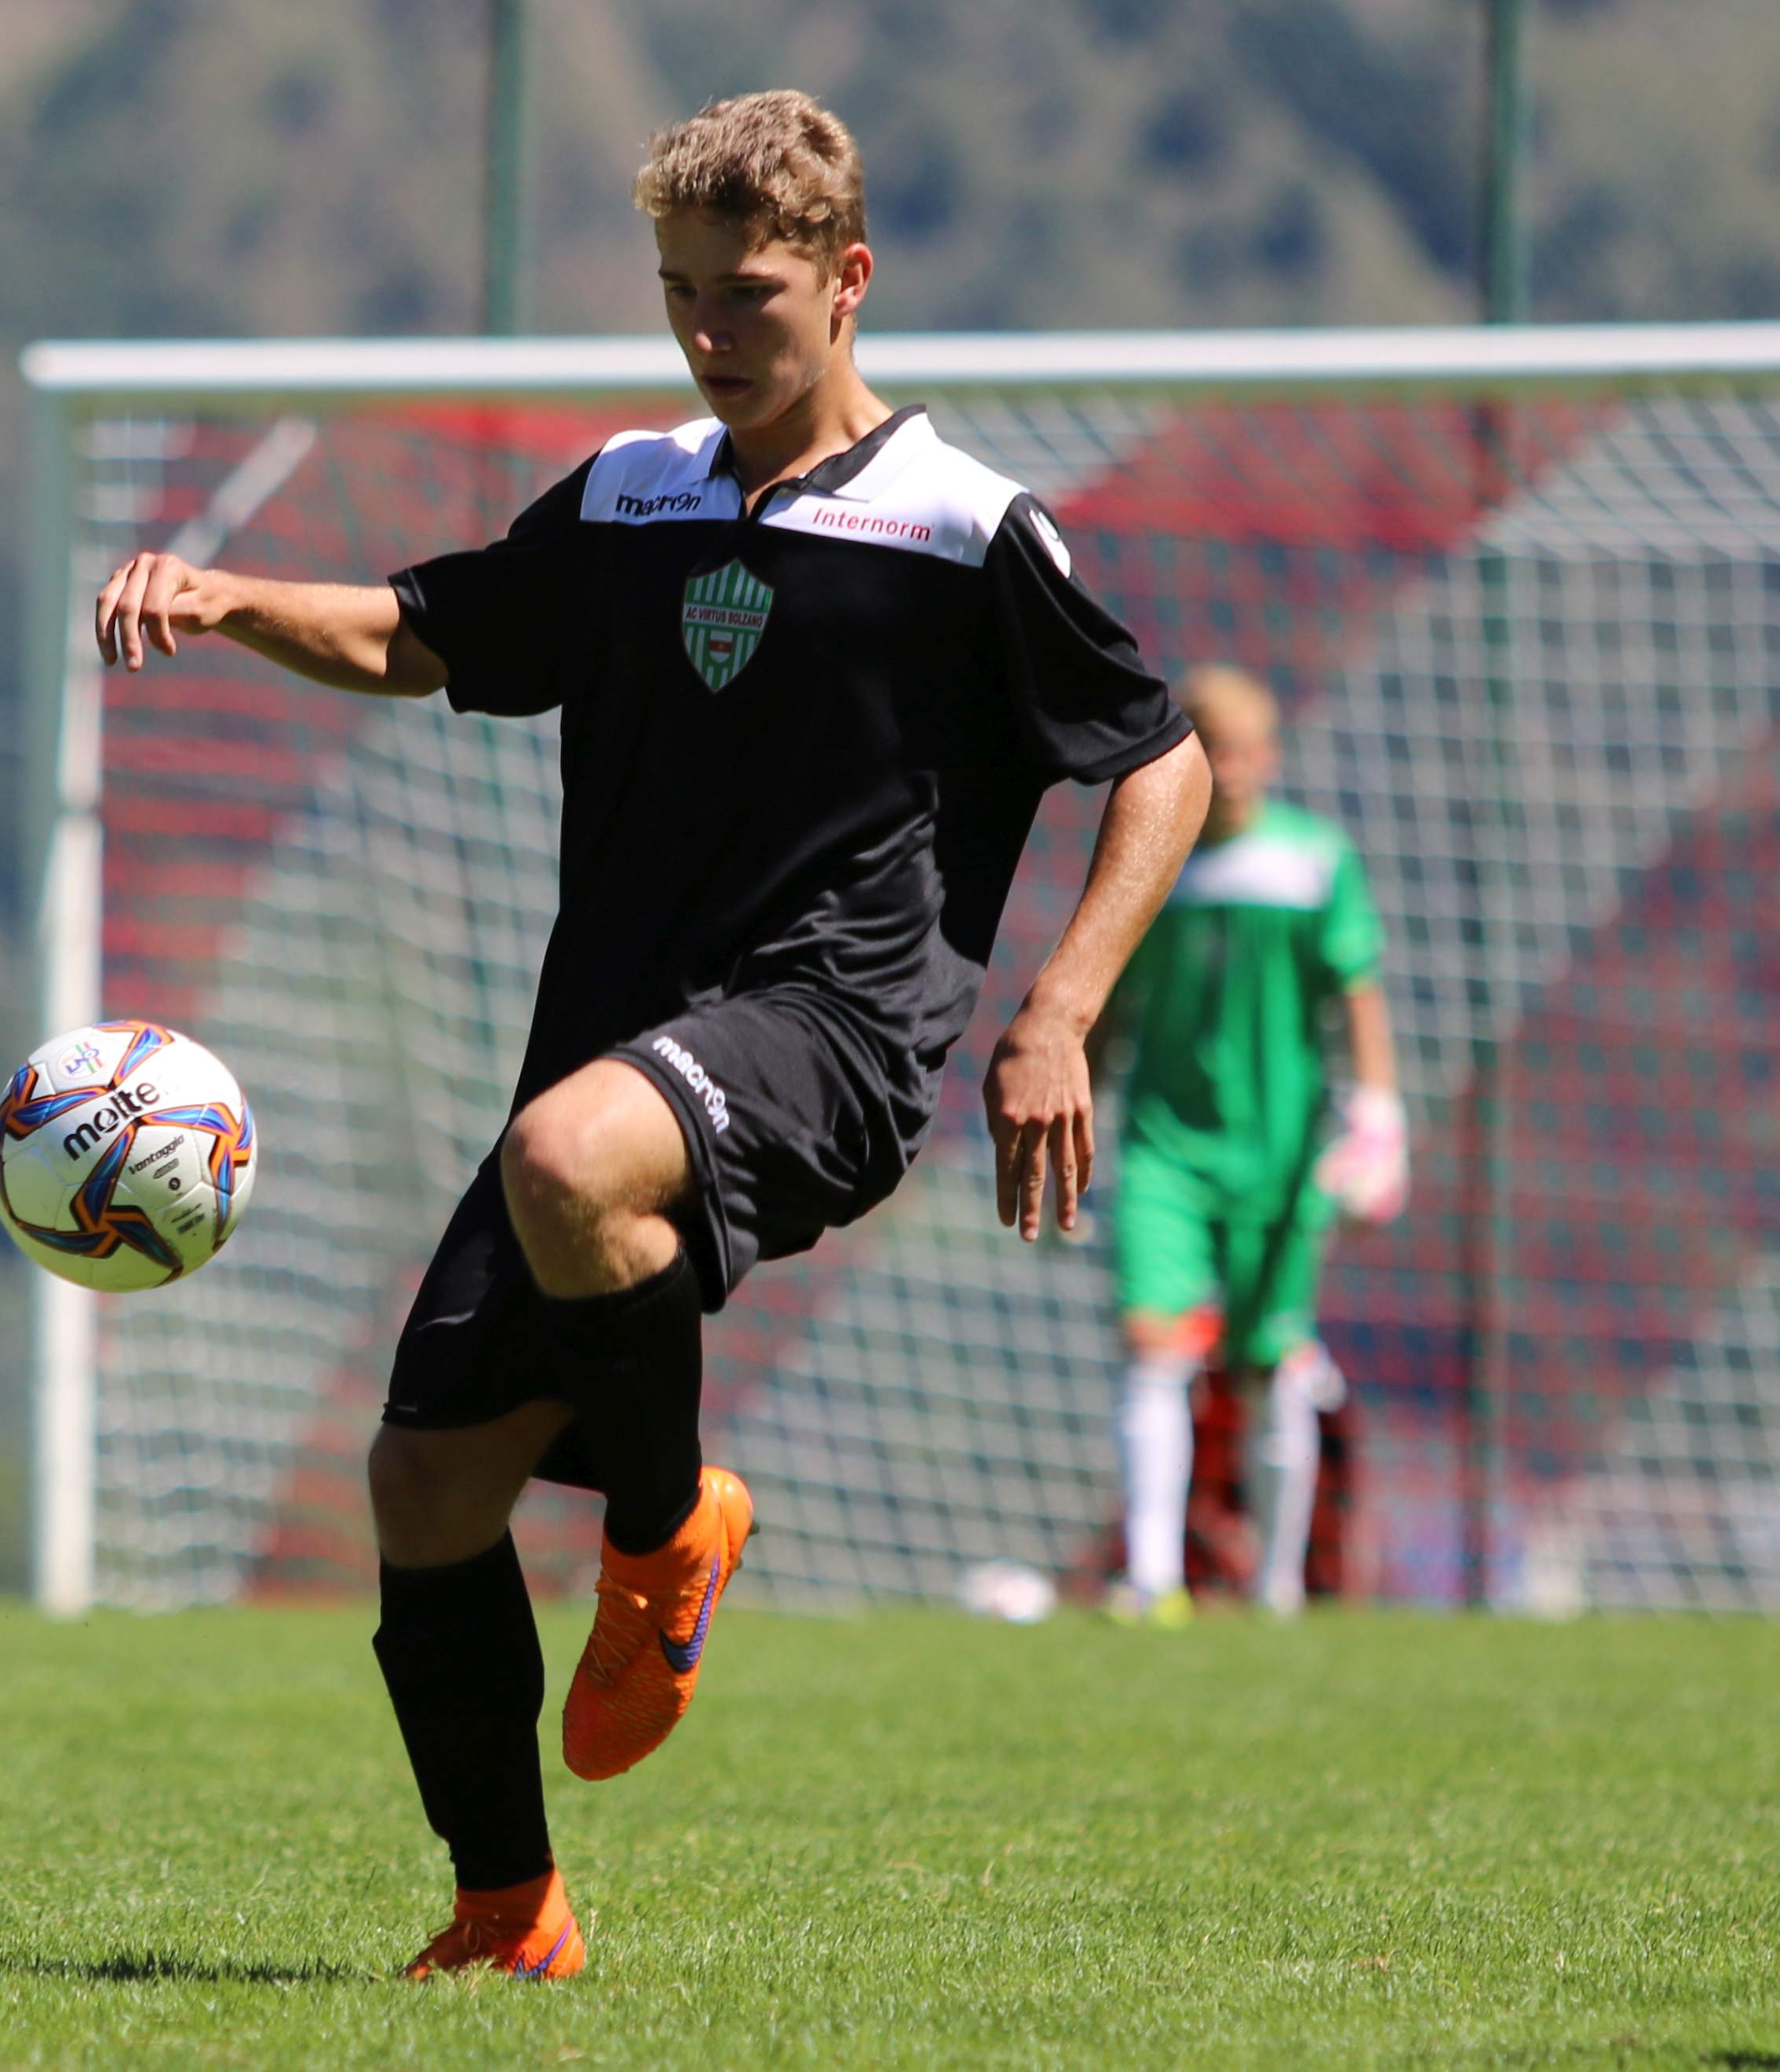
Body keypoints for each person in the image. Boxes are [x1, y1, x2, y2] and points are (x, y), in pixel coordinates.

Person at [91, 91, 1208, 1978]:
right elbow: (428, 632)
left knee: (561, 1156)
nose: (707, 330)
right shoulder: (630, 494)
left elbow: (1158, 762)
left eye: (747, 293)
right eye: (679, 291)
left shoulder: (965, 525)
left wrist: (1058, 1009)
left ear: (846, 282)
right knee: (420, 1482)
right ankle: (506, 1912)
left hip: (831, 1031)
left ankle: (663, 1521)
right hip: (616, 1048)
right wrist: (227, 598)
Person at [1095, 665, 1403, 1625]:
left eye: (1242, 751)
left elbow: (1355, 992)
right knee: (1154, 1344)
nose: (1226, 770)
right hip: (1164, 1149)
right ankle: (1150, 1583)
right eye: (1210, 749)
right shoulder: (1152, 858)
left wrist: (1377, 1116)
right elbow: (1111, 996)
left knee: (1270, 1363)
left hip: (1278, 1154)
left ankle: (1276, 1589)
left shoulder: (1314, 861)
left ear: (1269, 756)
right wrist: (1076, 1116)